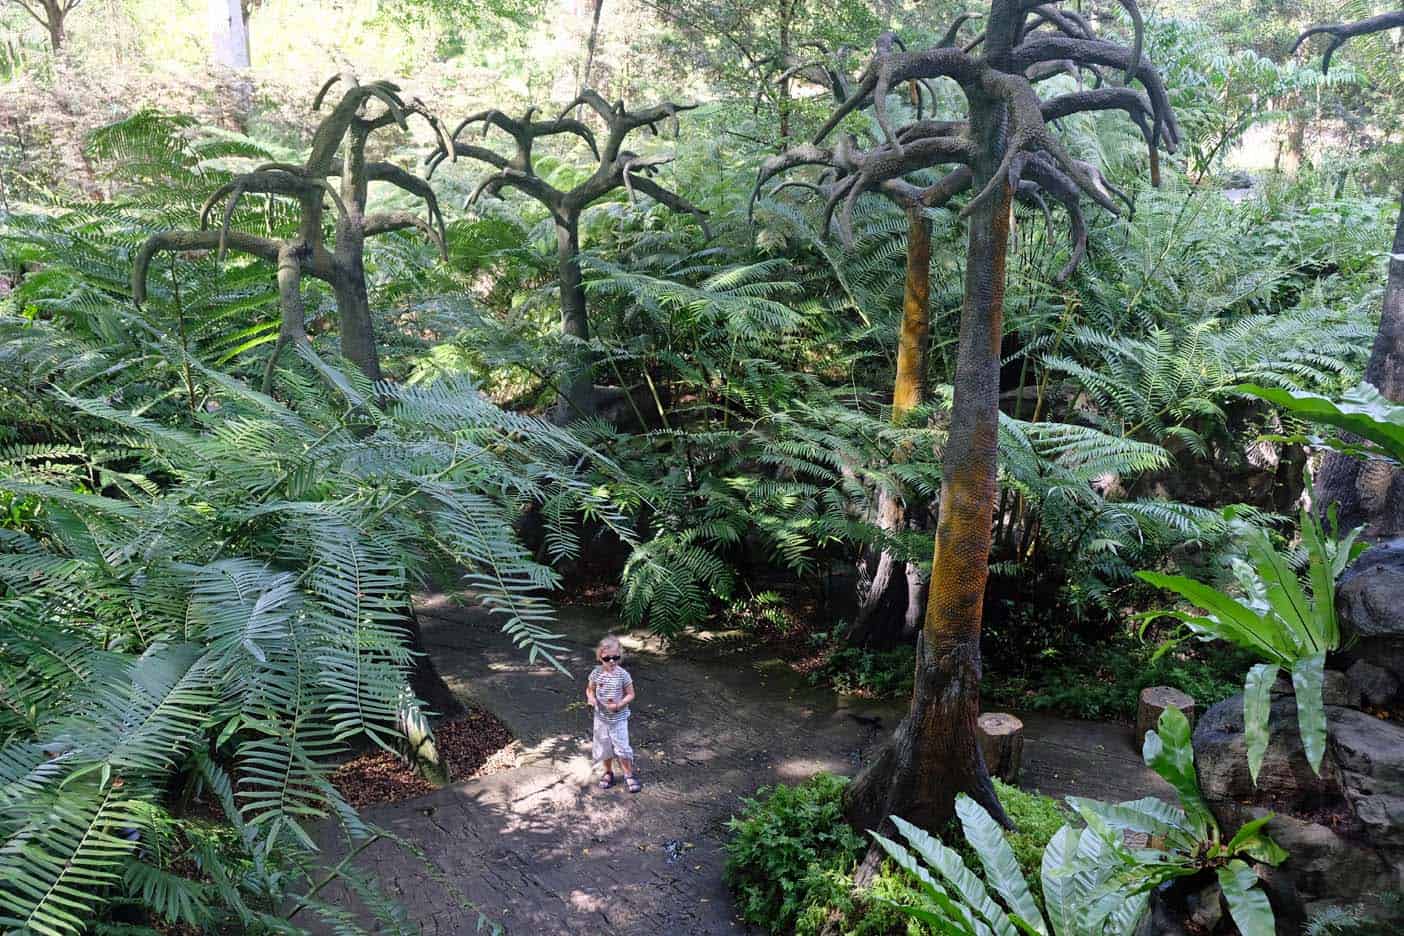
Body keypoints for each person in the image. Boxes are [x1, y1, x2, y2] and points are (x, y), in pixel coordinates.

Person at [586, 634, 640, 793]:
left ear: (620, 657)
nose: (611, 661)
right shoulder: (596, 673)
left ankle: (628, 774)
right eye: (606, 658)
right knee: (604, 746)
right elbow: (590, 689)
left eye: (615, 658)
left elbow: (631, 694)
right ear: (599, 657)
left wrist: (619, 704)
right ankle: (608, 772)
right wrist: (591, 699)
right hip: (601, 718)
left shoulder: (623, 674)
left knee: (622, 747)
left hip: (619, 718)